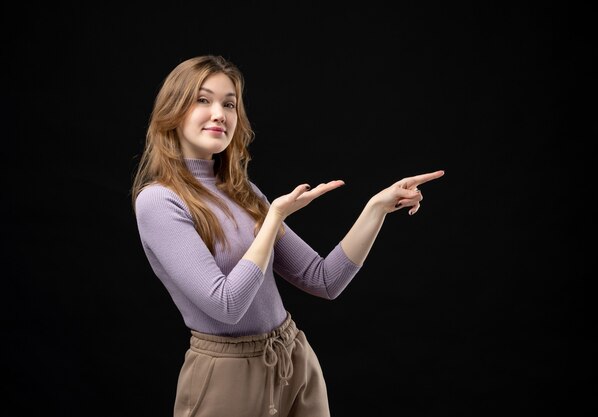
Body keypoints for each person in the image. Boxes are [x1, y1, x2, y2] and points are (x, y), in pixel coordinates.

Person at [131, 54, 444, 417]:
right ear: (173, 111)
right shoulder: (159, 201)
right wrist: (273, 218)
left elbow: (324, 280)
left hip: (292, 356)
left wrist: (376, 208)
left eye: (229, 104)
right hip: (226, 375)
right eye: (203, 99)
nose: (219, 113)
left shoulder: (243, 190)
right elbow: (226, 305)